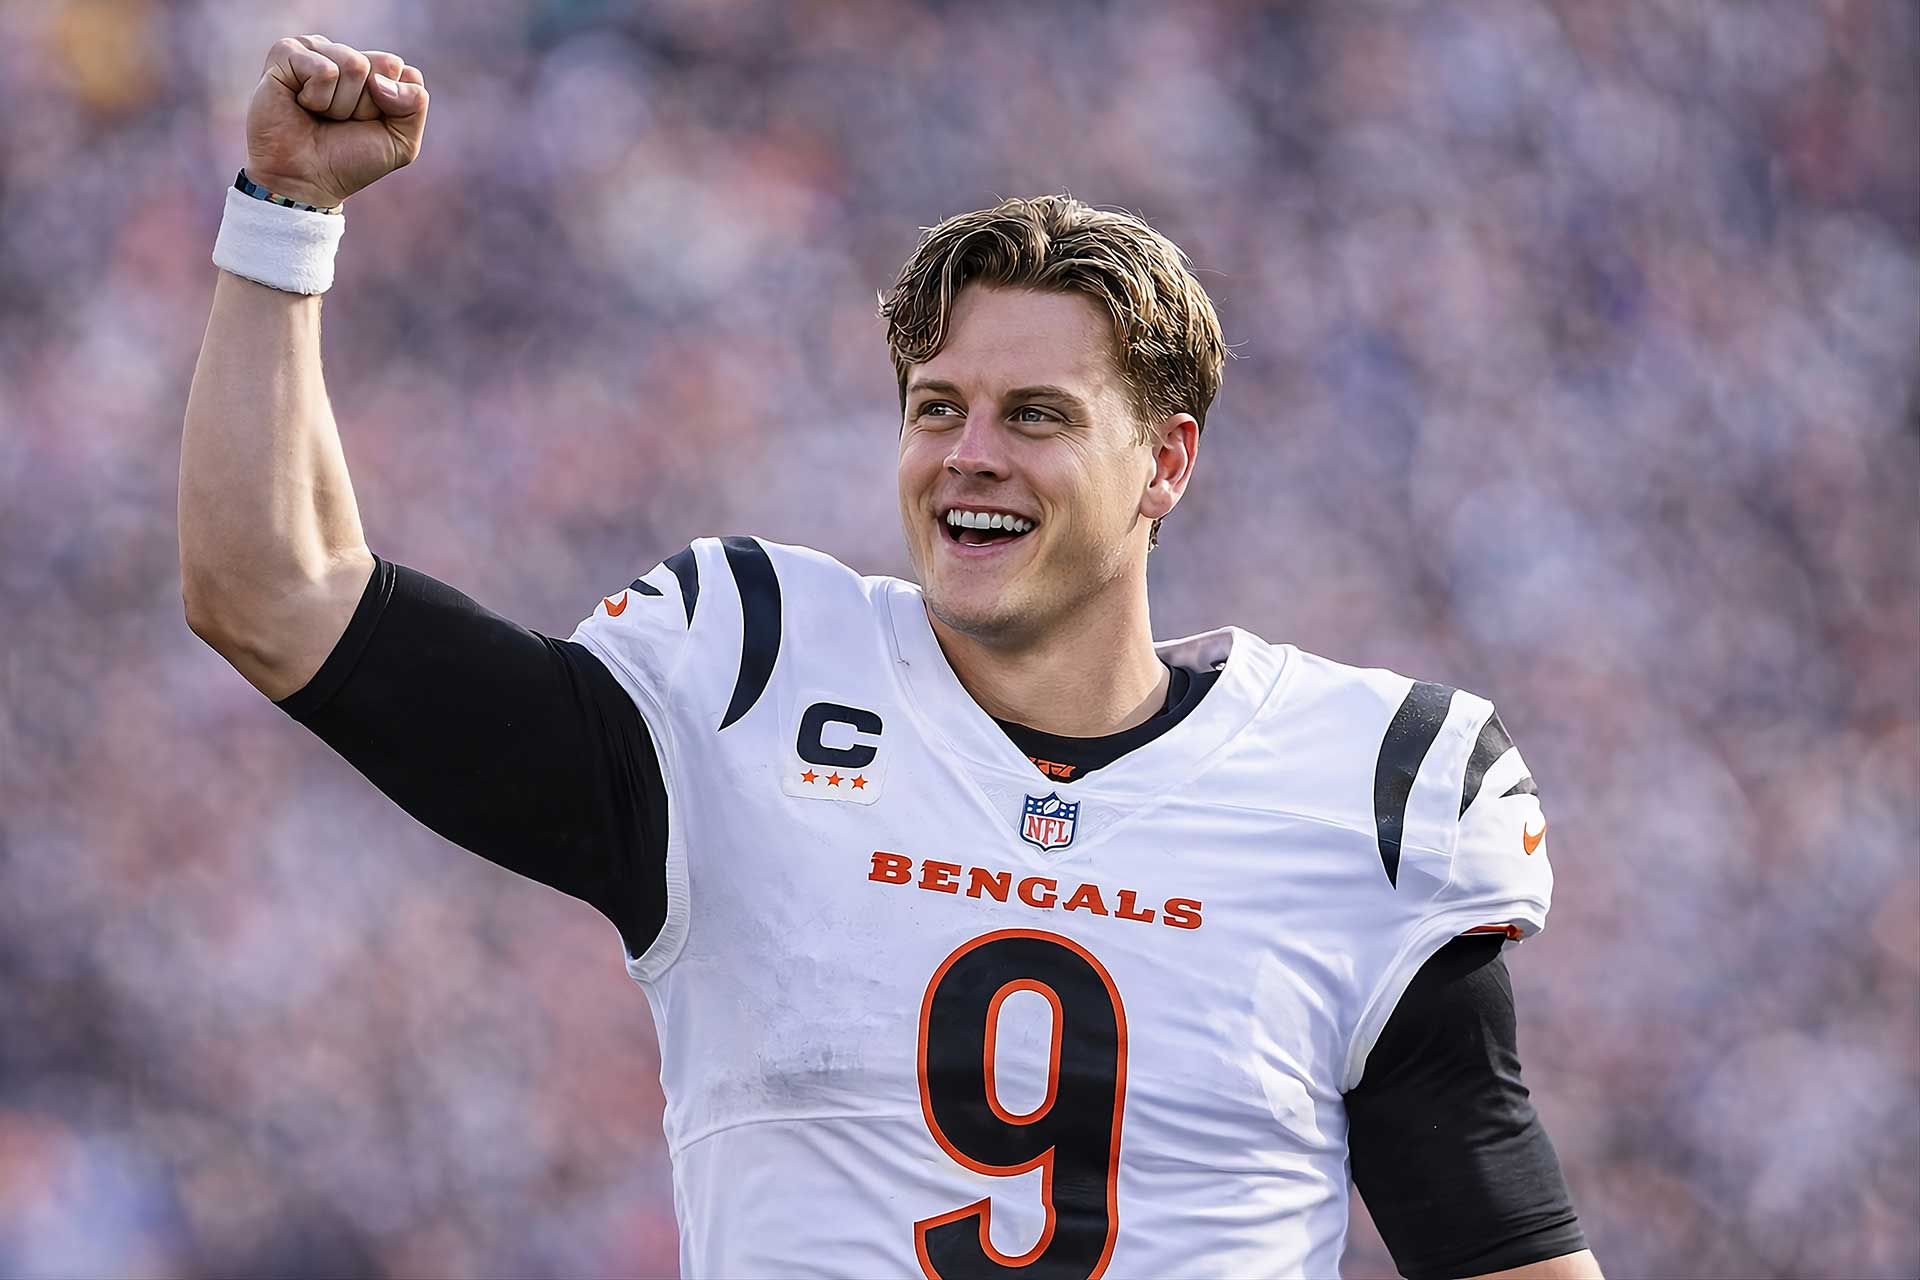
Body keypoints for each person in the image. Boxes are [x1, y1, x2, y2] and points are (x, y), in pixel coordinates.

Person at [180, 34, 1605, 1280]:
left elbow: (1503, 1256)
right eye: (938, 407)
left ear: (1166, 461)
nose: (969, 457)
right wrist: (284, 221)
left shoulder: (1358, 794)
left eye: (1036, 415)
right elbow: (279, 595)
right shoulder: (746, 686)